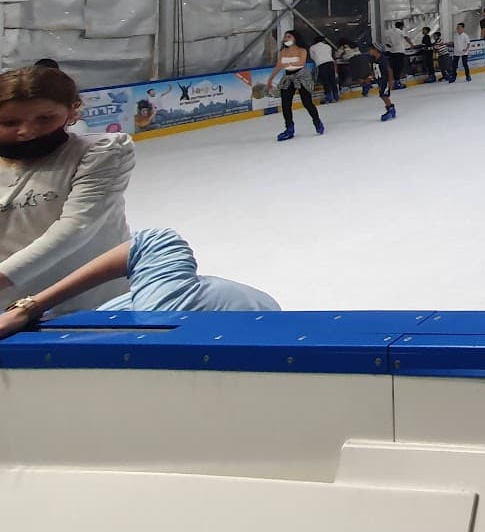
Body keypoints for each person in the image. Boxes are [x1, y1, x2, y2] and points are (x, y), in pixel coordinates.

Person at [0, 67, 135, 314]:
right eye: (10, 122)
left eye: (44, 119)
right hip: (8, 308)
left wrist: (3, 276)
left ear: (72, 110)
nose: (27, 131)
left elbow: (77, 226)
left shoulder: (101, 152)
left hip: (92, 302)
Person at [0, 228, 278, 338]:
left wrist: (27, 308)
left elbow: (154, 242)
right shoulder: (161, 312)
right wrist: (28, 308)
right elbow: (152, 243)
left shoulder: (161, 313)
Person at [264, 29, 323, 142]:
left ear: (295, 38)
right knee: (286, 104)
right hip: (288, 77)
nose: (286, 39)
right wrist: (270, 79)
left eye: (289, 36)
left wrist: (286, 63)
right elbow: (278, 65)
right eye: (285, 37)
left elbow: (301, 62)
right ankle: (289, 128)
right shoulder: (283, 51)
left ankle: (317, 121)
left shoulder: (302, 50)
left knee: (307, 102)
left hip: (302, 77)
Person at [364, 42, 397, 121]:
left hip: (385, 80)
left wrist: (391, 81)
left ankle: (391, 109)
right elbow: (373, 71)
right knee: (382, 95)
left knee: (384, 95)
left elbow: (389, 70)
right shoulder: (373, 60)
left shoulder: (383, 60)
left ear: (376, 50)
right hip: (380, 81)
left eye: (370, 50)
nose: (369, 51)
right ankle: (390, 108)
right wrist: (370, 77)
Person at [308, 35, 338, 103]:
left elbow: (312, 57)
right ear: (323, 41)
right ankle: (336, 96)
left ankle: (329, 97)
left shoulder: (312, 47)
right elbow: (329, 54)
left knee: (325, 80)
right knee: (332, 80)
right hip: (330, 63)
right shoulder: (328, 46)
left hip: (321, 64)